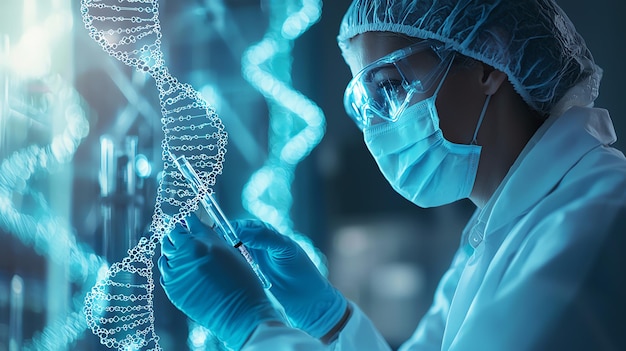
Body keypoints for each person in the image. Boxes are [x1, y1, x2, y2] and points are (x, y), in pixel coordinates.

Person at [157, 0, 626, 350]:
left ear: (487, 57)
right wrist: (331, 321)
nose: (376, 127)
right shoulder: (499, 231)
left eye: (391, 87)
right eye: (364, 104)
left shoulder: (593, 222)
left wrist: (251, 324)